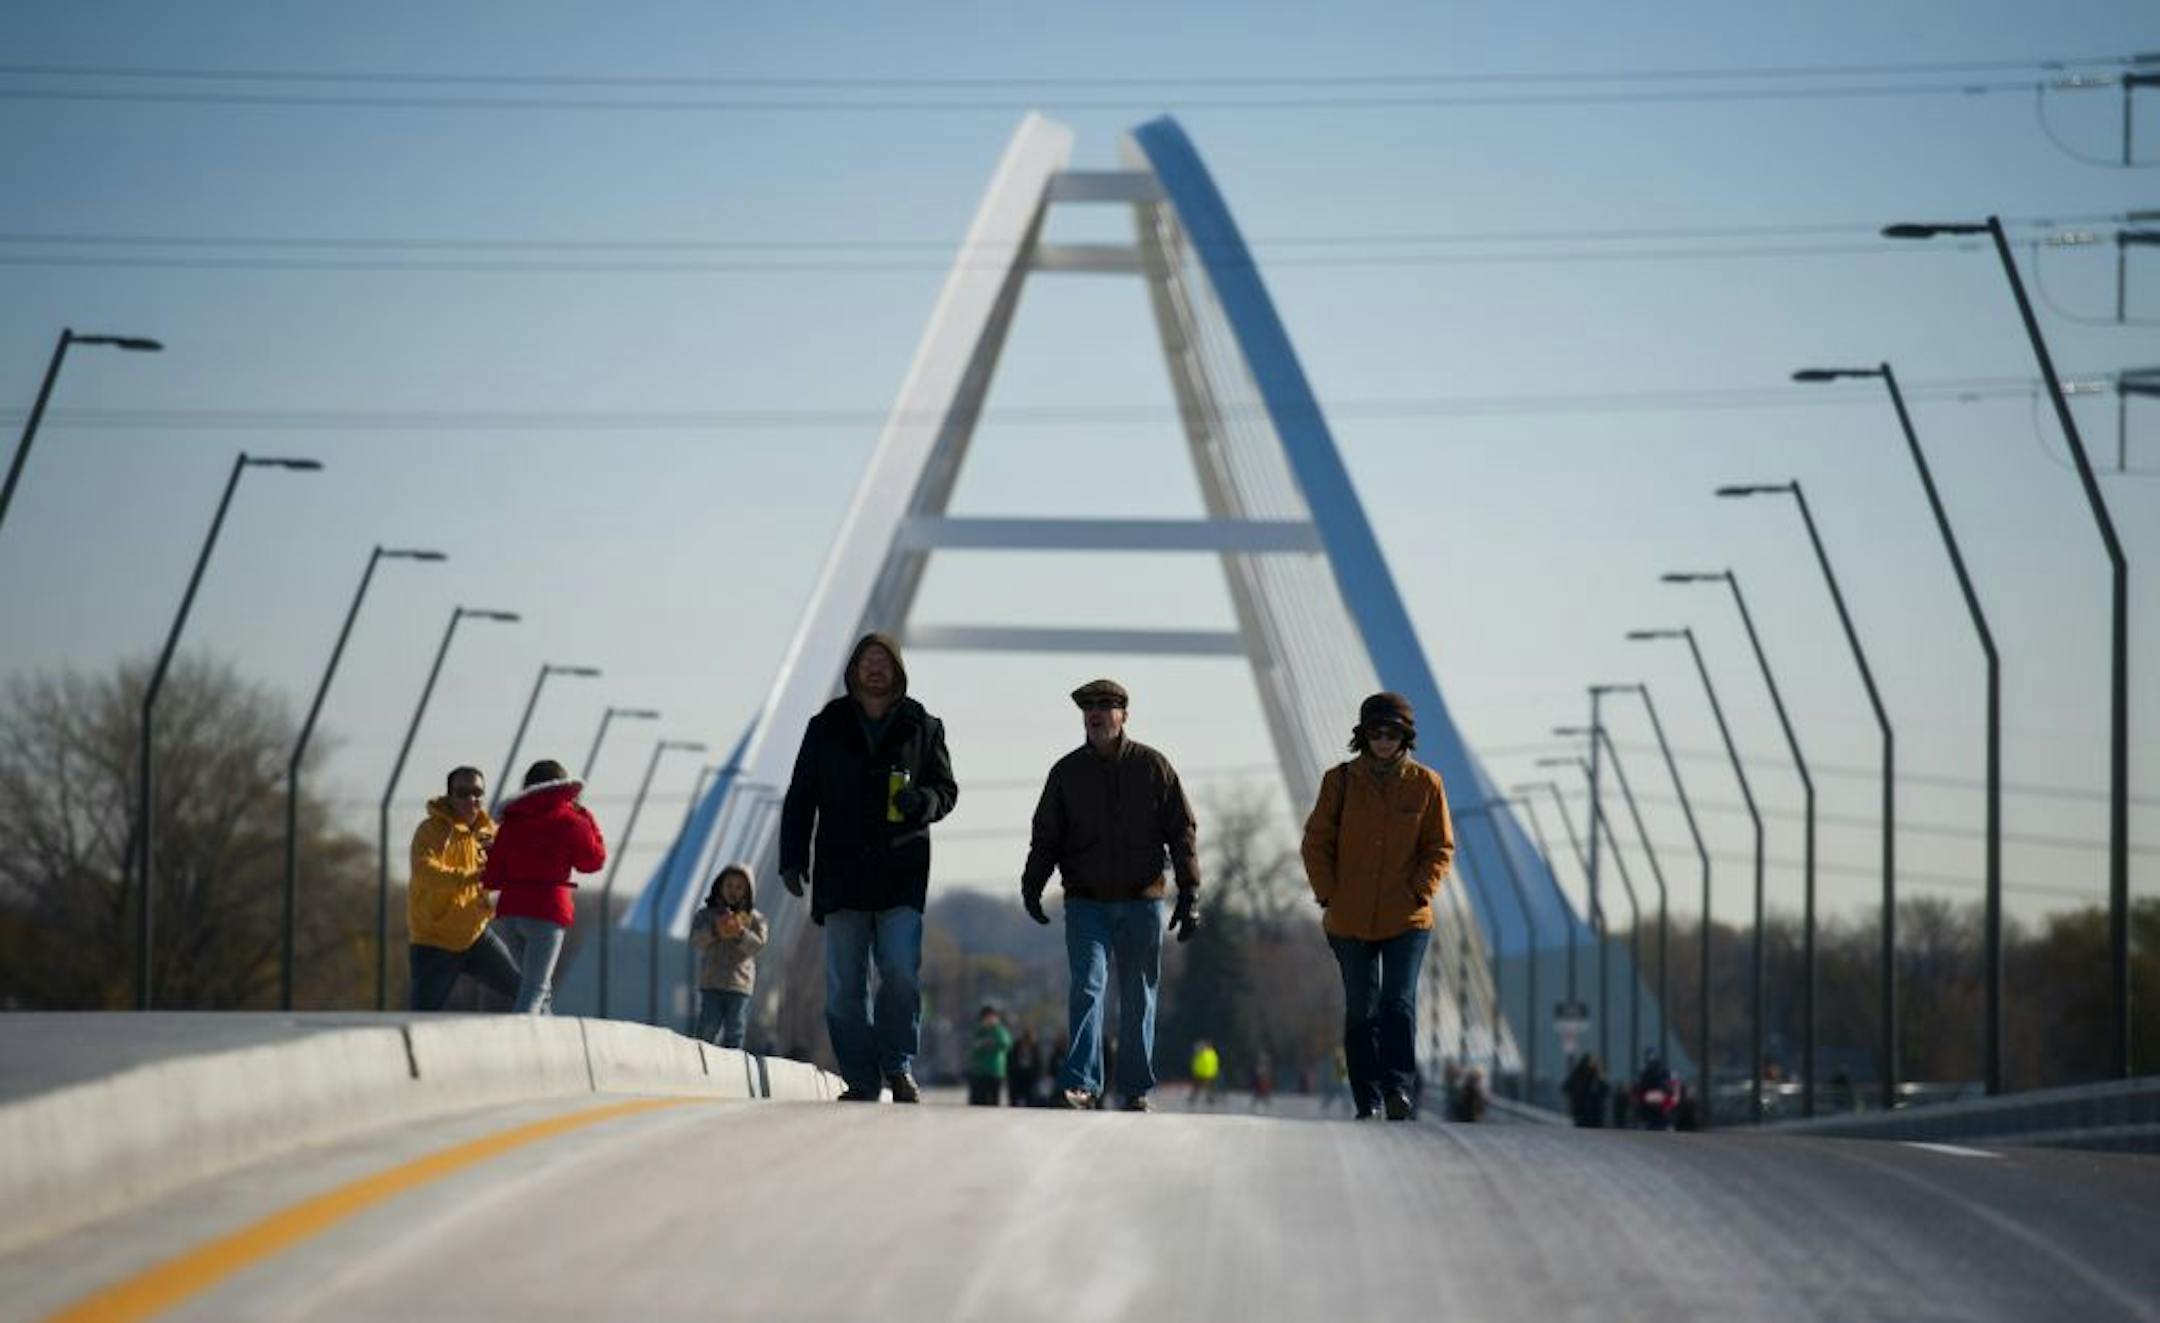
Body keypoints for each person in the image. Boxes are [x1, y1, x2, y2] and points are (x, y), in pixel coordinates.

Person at [779, 633, 957, 1103]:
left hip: (902, 872)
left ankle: (897, 1065)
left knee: (899, 971)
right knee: (843, 987)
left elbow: (947, 789)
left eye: (883, 661)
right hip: (842, 875)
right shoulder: (826, 725)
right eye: (866, 661)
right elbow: (801, 796)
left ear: (897, 670)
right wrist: (792, 857)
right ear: (854, 670)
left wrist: (923, 801)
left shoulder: (923, 725)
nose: (875, 668)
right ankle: (860, 1077)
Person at [1020, 678, 1200, 1112]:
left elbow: (1182, 830)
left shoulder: (1153, 767)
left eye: (1106, 706)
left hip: (1143, 901)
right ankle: (1081, 1082)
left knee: (1139, 995)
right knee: (1087, 986)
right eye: (1089, 707)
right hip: (1087, 902)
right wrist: (1032, 884)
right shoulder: (1066, 772)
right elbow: (1046, 836)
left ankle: (1134, 1088)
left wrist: (1191, 893)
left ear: (1124, 714)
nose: (1096, 714)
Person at [1301, 692, 1455, 1122]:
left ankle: (1398, 1091)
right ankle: (1366, 1098)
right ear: (1363, 736)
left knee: (1397, 1003)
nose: (1383, 741)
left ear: (1405, 736)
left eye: (1392, 733)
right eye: (1375, 733)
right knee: (1361, 1007)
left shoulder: (1427, 784)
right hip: (1349, 917)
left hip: (1406, 917)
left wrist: (1420, 891)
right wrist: (1329, 894)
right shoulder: (1341, 782)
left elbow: (1440, 847)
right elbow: (1316, 842)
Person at [482, 759, 607, 1014]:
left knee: (536, 986)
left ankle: (548, 1044)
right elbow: (593, 861)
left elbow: (492, 876)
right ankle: (521, 1040)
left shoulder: (512, 820)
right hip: (547, 911)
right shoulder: (571, 820)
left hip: (510, 911)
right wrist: (587, 818)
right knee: (535, 988)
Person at [407, 766, 523, 1011]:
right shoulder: (430, 831)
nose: (472, 799)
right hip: (435, 940)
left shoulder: (489, 832)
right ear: (450, 796)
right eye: (463, 792)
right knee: (422, 1015)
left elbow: (506, 872)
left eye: (478, 792)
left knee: (526, 991)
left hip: (477, 936)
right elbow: (424, 872)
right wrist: (472, 878)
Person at [690, 865, 767, 1048]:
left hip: (739, 984)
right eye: (729, 886)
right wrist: (716, 931)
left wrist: (740, 933)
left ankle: (734, 1064)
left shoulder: (754, 919)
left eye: (739, 887)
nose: (733, 891)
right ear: (719, 887)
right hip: (712, 982)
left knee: (735, 1029)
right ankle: (699, 1059)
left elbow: (758, 945)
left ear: (748, 891)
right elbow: (696, 940)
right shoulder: (706, 915)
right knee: (707, 1026)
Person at [966, 1005, 1013, 1106]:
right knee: (978, 1101)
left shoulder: (1000, 1031)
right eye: (987, 1017)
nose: (989, 1020)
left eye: (992, 1017)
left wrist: (993, 1041)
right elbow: (971, 1050)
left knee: (993, 1102)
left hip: (995, 1071)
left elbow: (1006, 1044)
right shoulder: (979, 1032)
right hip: (979, 1072)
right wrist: (980, 1045)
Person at [1563, 1054, 1609, 1129]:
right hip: (1583, 1113)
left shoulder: (1596, 1075)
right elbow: (1566, 1086)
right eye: (1592, 1061)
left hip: (1594, 1114)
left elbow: (1605, 1090)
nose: (1594, 1063)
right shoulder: (1579, 1073)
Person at [1006, 1027, 1045, 1107]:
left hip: (1030, 1076)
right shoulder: (1016, 1047)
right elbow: (1010, 1061)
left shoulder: (1035, 1048)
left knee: (1030, 1099)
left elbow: (1039, 1063)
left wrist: (1037, 1075)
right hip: (1017, 1075)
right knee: (1015, 1098)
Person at [1190, 1039, 1221, 1108]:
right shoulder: (1211, 1053)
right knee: (1200, 1087)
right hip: (1205, 1073)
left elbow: (1198, 1063)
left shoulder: (1203, 1053)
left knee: (1206, 1087)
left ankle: (1208, 1098)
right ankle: (1196, 1097)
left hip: (1206, 1073)